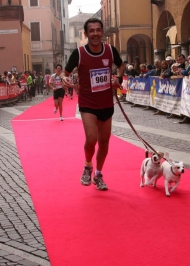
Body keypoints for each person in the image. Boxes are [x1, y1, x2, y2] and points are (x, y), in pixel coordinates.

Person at [62, 18, 124, 191]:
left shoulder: (111, 50)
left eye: (98, 30)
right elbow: (65, 73)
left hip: (106, 103)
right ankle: (88, 165)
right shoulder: (79, 53)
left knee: (104, 142)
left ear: (102, 32)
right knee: (92, 139)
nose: (95, 33)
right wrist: (64, 78)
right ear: (86, 34)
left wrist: (118, 78)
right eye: (91, 31)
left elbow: (121, 66)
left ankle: (98, 174)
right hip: (88, 103)